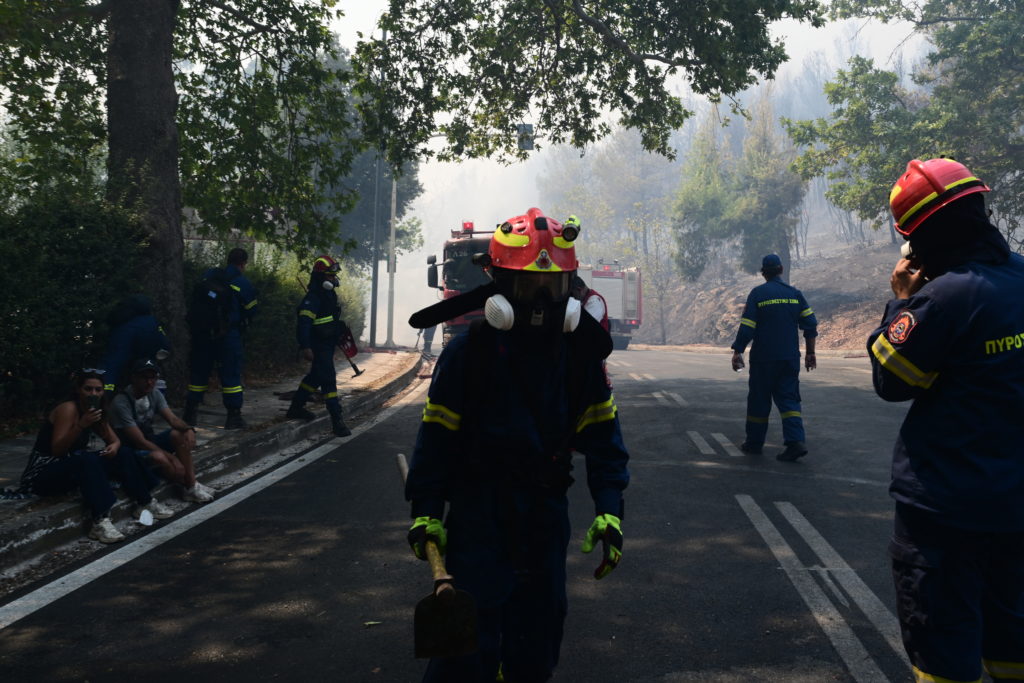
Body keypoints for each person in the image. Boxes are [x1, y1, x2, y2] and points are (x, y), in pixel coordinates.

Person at [405, 207, 629, 683]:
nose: (541, 301)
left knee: (538, 643)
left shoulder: (579, 359)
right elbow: (437, 437)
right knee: (463, 655)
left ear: (572, 289)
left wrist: (610, 508)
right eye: (528, 287)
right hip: (477, 515)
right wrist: (426, 508)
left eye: (552, 287)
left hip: (546, 517)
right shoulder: (467, 355)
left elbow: (605, 441)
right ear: (498, 287)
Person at [869, 157, 1024, 682]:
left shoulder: (941, 299)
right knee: (1013, 637)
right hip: (1016, 506)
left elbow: (892, 381)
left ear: (919, 239)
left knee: (943, 647)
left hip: (945, 512)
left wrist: (901, 304)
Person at [18, 369, 170, 544]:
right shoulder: (68, 409)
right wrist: (81, 426)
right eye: (88, 389)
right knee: (86, 459)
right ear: (78, 390)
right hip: (43, 473)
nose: (93, 393)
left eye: (98, 390)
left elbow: (114, 441)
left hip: (72, 465)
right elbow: (57, 450)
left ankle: (145, 501)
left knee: (124, 453)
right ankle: (100, 520)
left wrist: (113, 447)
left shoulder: (95, 409)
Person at [730, 253, 818, 462]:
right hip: (789, 358)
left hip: (764, 359)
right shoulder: (794, 294)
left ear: (763, 273)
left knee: (759, 400)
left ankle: (754, 443)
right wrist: (810, 353)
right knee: (789, 400)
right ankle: (795, 442)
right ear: (781, 270)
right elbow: (811, 324)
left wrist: (738, 351)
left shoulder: (758, 294)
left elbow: (748, 327)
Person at [111, 358, 214, 503]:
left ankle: (191, 486)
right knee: (160, 458)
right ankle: (186, 484)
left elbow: (172, 419)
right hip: (131, 450)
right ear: (133, 378)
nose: (149, 382)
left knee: (179, 434)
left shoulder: (154, 394)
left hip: (149, 440)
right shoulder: (121, 402)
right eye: (144, 378)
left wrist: (189, 429)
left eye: (152, 378)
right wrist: (172, 459)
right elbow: (139, 441)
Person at [183, 247, 259, 429]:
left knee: (199, 372)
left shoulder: (209, 275)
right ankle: (233, 417)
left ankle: (190, 412)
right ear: (243, 264)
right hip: (228, 335)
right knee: (230, 374)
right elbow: (252, 310)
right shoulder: (242, 283)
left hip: (203, 333)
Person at [285, 255, 352, 437]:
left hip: (327, 344)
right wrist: (306, 346)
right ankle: (337, 421)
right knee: (328, 380)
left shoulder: (328, 294)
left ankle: (295, 408)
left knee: (314, 378)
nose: (333, 279)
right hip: (318, 346)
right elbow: (304, 323)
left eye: (334, 275)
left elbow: (328, 319)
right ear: (321, 277)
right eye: (330, 275)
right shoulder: (313, 297)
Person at [98, 294, 171, 394]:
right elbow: (163, 342)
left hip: (123, 350)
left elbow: (115, 354)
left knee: (112, 368)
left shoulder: (122, 320)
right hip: (145, 355)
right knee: (149, 373)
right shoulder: (152, 321)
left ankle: (103, 395)